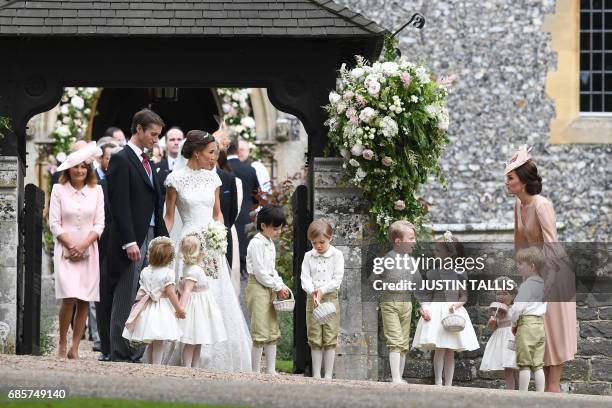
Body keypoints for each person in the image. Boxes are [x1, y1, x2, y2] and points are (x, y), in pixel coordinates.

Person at [163, 130, 252, 372]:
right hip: (187, 245)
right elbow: (169, 217)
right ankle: (183, 351)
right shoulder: (175, 180)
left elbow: (218, 212)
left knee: (214, 294)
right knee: (188, 295)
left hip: (211, 246)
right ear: (196, 152)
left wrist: (219, 234)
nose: (215, 157)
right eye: (211, 153)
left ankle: (213, 352)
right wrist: (164, 244)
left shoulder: (214, 179)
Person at [505, 145, 576, 392]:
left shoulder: (542, 205)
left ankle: (553, 390)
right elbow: (519, 243)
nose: (507, 182)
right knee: (537, 331)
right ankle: (545, 392)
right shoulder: (518, 205)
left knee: (553, 332)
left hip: (555, 273)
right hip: (536, 272)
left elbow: (552, 244)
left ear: (522, 181)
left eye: (510, 178)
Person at [106, 109, 169, 362]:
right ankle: (120, 351)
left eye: (158, 135)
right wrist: (129, 241)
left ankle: (137, 350)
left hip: (152, 235)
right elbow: (118, 204)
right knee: (127, 294)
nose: (156, 139)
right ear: (139, 130)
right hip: (133, 238)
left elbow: (155, 201)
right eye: (153, 134)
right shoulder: (121, 159)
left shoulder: (147, 162)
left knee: (146, 293)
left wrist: (162, 237)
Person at [48, 142, 105, 359]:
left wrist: (83, 245)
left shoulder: (96, 190)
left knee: (84, 299)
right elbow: (54, 223)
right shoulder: (58, 190)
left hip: (89, 250)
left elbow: (99, 224)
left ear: (88, 169)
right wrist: (71, 245)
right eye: (75, 167)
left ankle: (75, 347)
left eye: (83, 166)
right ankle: (62, 341)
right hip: (65, 251)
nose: (79, 171)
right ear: (68, 168)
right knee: (68, 298)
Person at [412, 232, 480, 386]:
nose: (434, 253)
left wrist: (458, 304)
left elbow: (464, 295)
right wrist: (424, 309)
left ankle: (448, 383)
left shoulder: (459, 272)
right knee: (439, 348)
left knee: (450, 349)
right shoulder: (432, 273)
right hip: (437, 311)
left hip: (453, 311)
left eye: (438, 250)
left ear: (449, 252)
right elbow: (428, 295)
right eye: (434, 250)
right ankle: (438, 381)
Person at [122, 237, 184, 365]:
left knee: (151, 339)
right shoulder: (168, 273)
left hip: (146, 307)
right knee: (159, 339)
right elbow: (171, 293)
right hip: (161, 309)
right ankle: (156, 365)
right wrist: (179, 309)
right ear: (169, 257)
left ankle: (148, 363)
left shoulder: (145, 271)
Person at [246, 205, 291, 375]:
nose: (278, 232)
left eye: (280, 228)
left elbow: (271, 270)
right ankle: (255, 371)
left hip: (269, 286)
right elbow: (260, 273)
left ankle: (271, 370)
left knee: (272, 328)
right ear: (263, 226)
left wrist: (281, 285)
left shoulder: (270, 243)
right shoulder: (256, 244)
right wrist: (277, 286)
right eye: (275, 228)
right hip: (257, 287)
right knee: (260, 329)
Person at [377, 220, 421, 384]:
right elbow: (377, 280)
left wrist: (424, 305)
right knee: (395, 340)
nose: (414, 241)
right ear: (398, 241)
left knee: (403, 342)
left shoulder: (410, 261)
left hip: (406, 303)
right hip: (390, 302)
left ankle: (399, 377)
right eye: (411, 238)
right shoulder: (388, 259)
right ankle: (395, 378)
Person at [300, 219, 344, 379]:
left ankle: (328, 375)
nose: (318, 246)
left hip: (330, 297)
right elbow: (304, 277)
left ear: (330, 238)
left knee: (330, 335)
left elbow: (337, 278)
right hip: (313, 299)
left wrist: (322, 290)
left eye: (321, 242)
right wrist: (312, 291)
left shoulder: (337, 255)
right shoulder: (308, 256)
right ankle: (317, 374)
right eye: (314, 243)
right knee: (315, 334)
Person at [177, 234, 227, 367]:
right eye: (200, 248)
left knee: (198, 339)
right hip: (196, 308)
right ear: (195, 252)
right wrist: (180, 308)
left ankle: (196, 366)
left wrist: (204, 258)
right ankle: (187, 366)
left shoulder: (192, 267)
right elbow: (187, 290)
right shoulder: (193, 271)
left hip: (202, 306)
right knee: (192, 340)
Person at [510, 247, 548, 392]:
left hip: (526, 325)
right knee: (538, 363)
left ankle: (523, 394)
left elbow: (517, 308)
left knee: (524, 363)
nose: (518, 267)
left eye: (520, 264)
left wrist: (514, 322)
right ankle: (540, 394)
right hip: (539, 325)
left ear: (531, 266)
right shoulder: (544, 286)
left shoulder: (527, 286)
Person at [227, 141, 260, 281]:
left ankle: (233, 267)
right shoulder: (250, 170)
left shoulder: (224, 169)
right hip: (246, 209)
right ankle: (245, 269)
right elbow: (256, 193)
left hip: (228, 208)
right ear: (237, 152)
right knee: (245, 240)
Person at [479, 276, 519, 389]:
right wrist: (492, 321)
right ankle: (512, 391)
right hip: (501, 341)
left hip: (512, 339)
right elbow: (493, 327)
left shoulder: (515, 308)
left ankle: (516, 391)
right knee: (508, 368)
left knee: (513, 367)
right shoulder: (497, 310)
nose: (500, 297)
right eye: (498, 294)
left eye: (505, 293)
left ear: (513, 295)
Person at [216, 150, 241, 294]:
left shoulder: (228, 178)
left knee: (224, 280)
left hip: (223, 234)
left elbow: (232, 211)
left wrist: (221, 230)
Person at [155, 127, 184, 196]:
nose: (176, 142)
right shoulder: (156, 167)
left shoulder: (191, 166)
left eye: (179, 139)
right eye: (172, 140)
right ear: (165, 142)